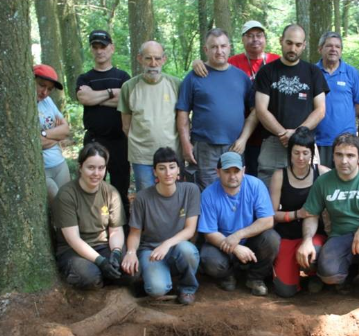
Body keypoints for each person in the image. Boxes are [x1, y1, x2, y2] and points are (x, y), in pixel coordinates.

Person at [297, 134, 359, 305]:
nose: (344, 161)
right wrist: (307, 240)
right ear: (333, 156)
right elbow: (311, 214)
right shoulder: (323, 181)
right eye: (339, 155)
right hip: (340, 235)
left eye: (350, 155)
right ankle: (348, 274)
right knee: (328, 275)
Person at [191, 20, 280, 177]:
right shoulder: (233, 62)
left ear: (265, 38)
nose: (255, 39)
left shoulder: (276, 61)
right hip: (242, 137)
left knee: (271, 178)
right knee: (240, 177)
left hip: (272, 133)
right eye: (250, 35)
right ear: (242, 39)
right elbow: (213, 66)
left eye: (259, 35)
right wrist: (197, 63)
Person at [177, 28, 257, 190]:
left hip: (235, 146)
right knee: (207, 191)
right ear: (206, 49)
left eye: (223, 46)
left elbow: (255, 112)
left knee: (234, 190)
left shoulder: (241, 77)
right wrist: (185, 143)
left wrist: (243, 139)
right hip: (205, 147)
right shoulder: (194, 77)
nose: (219, 51)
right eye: (214, 47)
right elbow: (182, 113)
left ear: (229, 48)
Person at [121, 147, 201, 305]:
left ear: (178, 170)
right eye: (162, 168)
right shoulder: (142, 198)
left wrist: (166, 244)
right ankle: (155, 278)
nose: (168, 173)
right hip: (151, 250)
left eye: (172, 167)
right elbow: (135, 233)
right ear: (155, 172)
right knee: (157, 289)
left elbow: (190, 230)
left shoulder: (190, 190)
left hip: (177, 247)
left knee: (188, 251)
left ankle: (187, 288)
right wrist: (131, 252)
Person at [255, 24, 329, 187]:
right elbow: (261, 109)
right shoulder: (267, 72)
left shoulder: (314, 73)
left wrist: (297, 134)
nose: (292, 48)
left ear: (304, 45)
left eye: (297, 44)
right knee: (267, 195)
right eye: (289, 43)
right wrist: (283, 134)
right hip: (274, 143)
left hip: (305, 143)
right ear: (281, 41)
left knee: (310, 193)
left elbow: (320, 110)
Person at [198, 152, 280, 296]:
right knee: (208, 258)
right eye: (227, 171)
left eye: (236, 171)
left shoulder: (255, 185)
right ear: (218, 172)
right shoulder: (208, 194)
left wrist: (238, 235)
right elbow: (209, 233)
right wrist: (235, 247)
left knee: (272, 239)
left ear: (243, 171)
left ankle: (255, 278)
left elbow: (267, 220)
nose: (232, 176)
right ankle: (228, 275)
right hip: (222, 244)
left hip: (250, 241)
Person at [53, 143, 127, 290]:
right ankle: (98, 279)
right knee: (89, 277)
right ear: (80, 167)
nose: (96, 173)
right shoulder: (66, 195)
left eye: (101, 168)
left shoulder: (111, 192)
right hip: (73, 250)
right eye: (91, 167)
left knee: (131, 271)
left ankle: (107, 278)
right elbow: (73, 239)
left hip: (103, 245)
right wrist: (101, 262)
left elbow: (116, 230)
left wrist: (116, 252)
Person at [269, 127, 330, 298]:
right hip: (288, 234)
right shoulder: (279, 176)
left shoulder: (323, 173)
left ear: (312, 153)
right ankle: (290, 273)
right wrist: (297, 214)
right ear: (290, 153)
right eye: (296, 153)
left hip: (315, 234)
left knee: (314, 253)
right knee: (285, 290)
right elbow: (272, 215)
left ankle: (314, 275)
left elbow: (348, 177)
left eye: (305, 153)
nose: (301, 158)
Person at [77, 30, 131, 214]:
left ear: (112, 48)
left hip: (119, 140)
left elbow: (126, 100)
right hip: (94, 139)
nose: (99, 51)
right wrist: (111, 93)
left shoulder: (123, 77)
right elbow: (84, 98)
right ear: (91, 50)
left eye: (103, 46)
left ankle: (121, 222)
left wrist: (96, 97)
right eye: (95, 47)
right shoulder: (85, 78)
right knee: (91, 183)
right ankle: (94, 222)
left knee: (121, 186)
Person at [118, 41, 181, 191]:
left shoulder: (176, 84)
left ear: (164, 59)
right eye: (148, 58)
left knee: (173, 196)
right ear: (140, 59)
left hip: (171, 155)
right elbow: (126, 126)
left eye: (157, 58)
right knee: (146, 197)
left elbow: (183, 120)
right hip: (142, 157)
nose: (153, 63)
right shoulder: (129, 87)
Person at [314, 31, 359, 168]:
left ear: (341, 50)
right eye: (329, 46)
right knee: (320, 177)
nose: (333, 49)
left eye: (337, 46)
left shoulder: (352, 73)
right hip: (319, 140)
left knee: (345, 178)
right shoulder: (312, 72)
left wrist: (343, 117)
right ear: (320, 49)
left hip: (347, 142)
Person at [34, 64, 70, 202]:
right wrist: (56, 136)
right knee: (58, 203)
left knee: (68, 203)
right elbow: (35, 143)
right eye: (41, 85)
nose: (45, 92)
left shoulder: (47, 102)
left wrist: (43, 134)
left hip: (59, 163)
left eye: (49, 89)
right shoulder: (24, 106)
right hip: (42, 168)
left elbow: (65, 130)